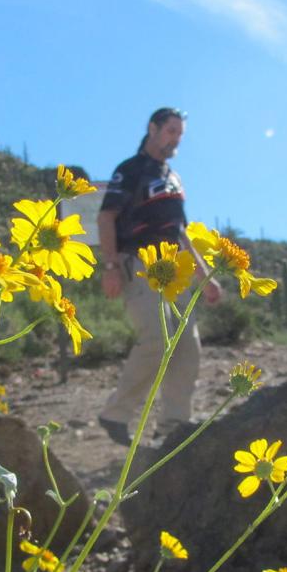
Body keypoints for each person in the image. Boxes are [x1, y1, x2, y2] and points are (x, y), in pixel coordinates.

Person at [96, 107, 221, 446]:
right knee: (157, 337)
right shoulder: (131, 170)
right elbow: (106, 217)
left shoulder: (173, 179)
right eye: (170, 131)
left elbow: (180, 231)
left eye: (180, 134)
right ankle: (115, 414)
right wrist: (110, 266)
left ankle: (174, 426)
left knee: (188, 347)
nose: (175, 139)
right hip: (138, 262)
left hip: (175, 268)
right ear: (152, 128)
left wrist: (204, 275)